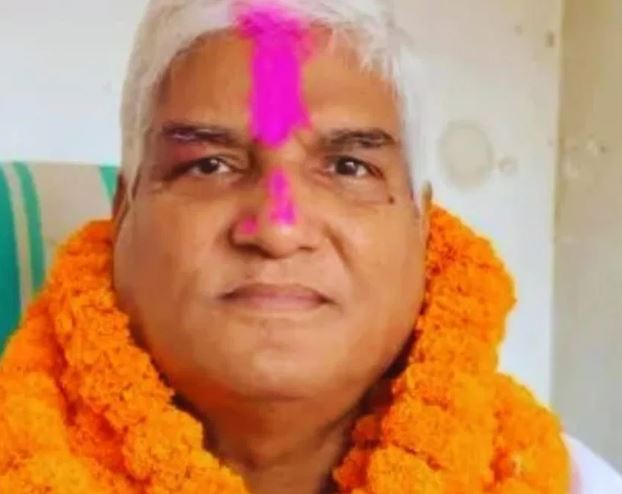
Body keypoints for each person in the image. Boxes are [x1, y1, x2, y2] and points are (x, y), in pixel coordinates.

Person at [1, 0, 621, 492]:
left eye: (349, 167)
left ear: (423, 228)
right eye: (210, 165)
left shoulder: (559, 479)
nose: (279, 229)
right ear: (124, 213)